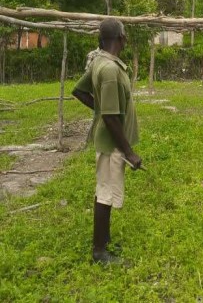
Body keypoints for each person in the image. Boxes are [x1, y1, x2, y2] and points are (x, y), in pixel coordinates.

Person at [72, 18, 142, 264]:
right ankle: (99, 252)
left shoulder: (101, 61)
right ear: (121, 37)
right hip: (112, 143)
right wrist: (129, 152)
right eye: (125, 35)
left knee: (105, 190)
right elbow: (112, 117)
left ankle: (105, 240)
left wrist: (99, 108)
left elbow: (79, 91)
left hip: (110, 141)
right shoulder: (110, 70)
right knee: (106, 193)